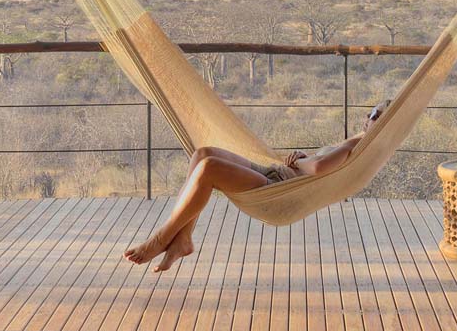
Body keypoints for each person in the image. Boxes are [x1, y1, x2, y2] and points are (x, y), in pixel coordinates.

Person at [125, 100, 392, 272]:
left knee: (208, 169)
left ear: (383, 125)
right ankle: (182, 239)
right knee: (202, 154)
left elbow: (319, 168)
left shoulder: (356, 145)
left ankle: (160, 239)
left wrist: (301, 160)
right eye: (371, 112)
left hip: (279, 189)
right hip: (276, 174)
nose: (368, 117)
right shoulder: (360, 140)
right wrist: (301, 160)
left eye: (376, 115)